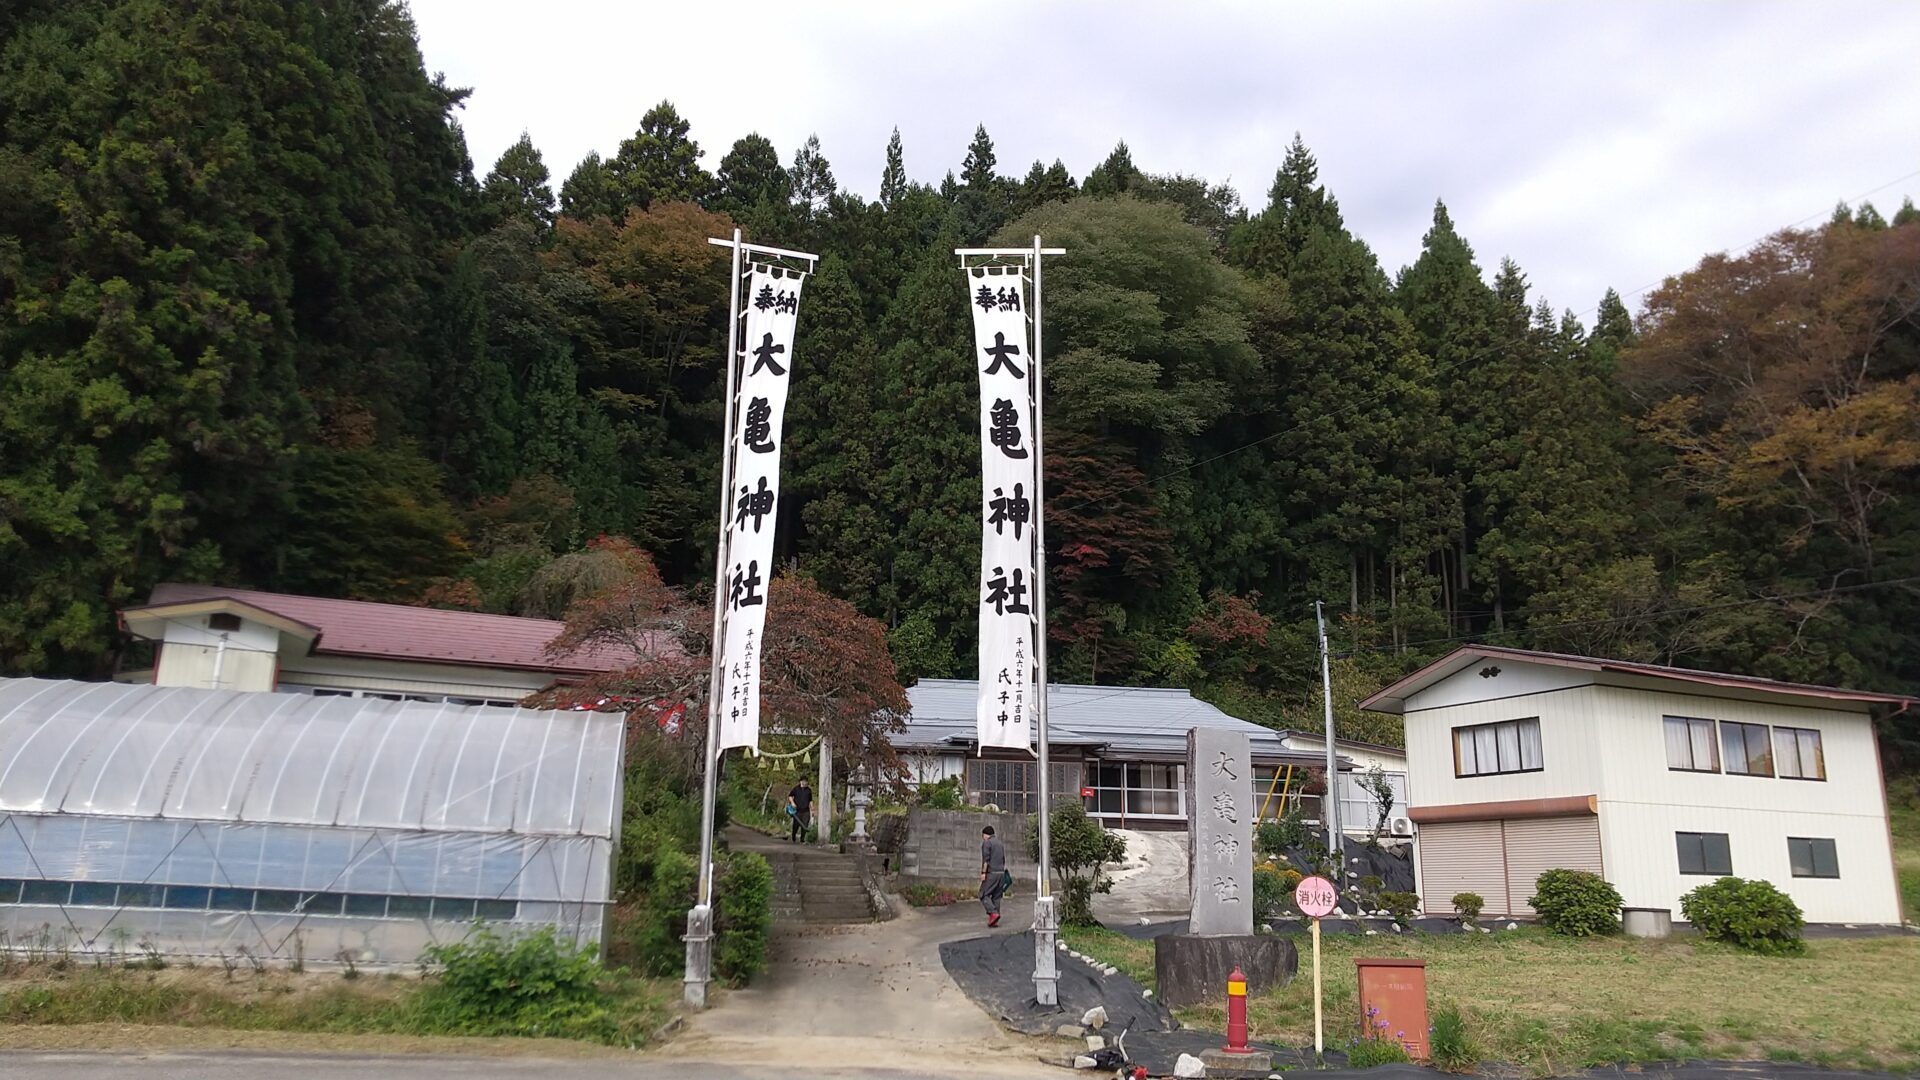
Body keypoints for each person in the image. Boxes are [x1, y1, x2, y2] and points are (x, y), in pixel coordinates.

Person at [979, 824, 1007, 927]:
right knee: (996, 897)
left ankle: (993, 913)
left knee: (983, 894)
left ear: (986, 835)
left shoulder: (987, 843)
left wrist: (983, 873)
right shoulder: (1000, 844)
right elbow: (1003, 860)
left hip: (992, 874)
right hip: (1001, 874)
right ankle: (994, 919)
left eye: (983, 836)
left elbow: (986, 860)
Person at [787, 778, 813, 843]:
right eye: (804, 781)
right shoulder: (796, 789)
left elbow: (810, 800)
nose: (806, 783)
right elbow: (790, 796)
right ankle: (793, 837)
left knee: (805, 825)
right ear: (801, 781)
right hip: (797, 810)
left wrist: (812, 809)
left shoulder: (809, 790)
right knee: (796, 825)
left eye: (807, 782)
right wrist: (792, 803)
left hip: (806, 810)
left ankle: (802, 839)